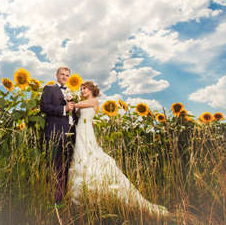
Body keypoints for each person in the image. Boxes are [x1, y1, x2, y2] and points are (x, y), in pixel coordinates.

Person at [68, 81, 169, 218]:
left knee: (91, 155)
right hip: (81, 130)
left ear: (91, 89)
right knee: (81, 156)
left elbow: (77, 105)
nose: (82, 91)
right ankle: (84, 196)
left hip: (85, 131)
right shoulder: (84, 102)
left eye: (84, 88)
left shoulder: (94, 101)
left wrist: (69, 100)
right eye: (81, 89)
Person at [40, 66, 78, 204]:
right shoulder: (49, 89)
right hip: (54, 132)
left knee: (66, 167)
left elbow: (73, 113)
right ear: (57, 75)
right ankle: (53, 200)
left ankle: (63, 197)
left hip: (69, 134)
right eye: (62, 74)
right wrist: (64, 108)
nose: (64, 77)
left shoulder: (70, 92)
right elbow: (44, 107)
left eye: (67, 75)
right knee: (55, 166)